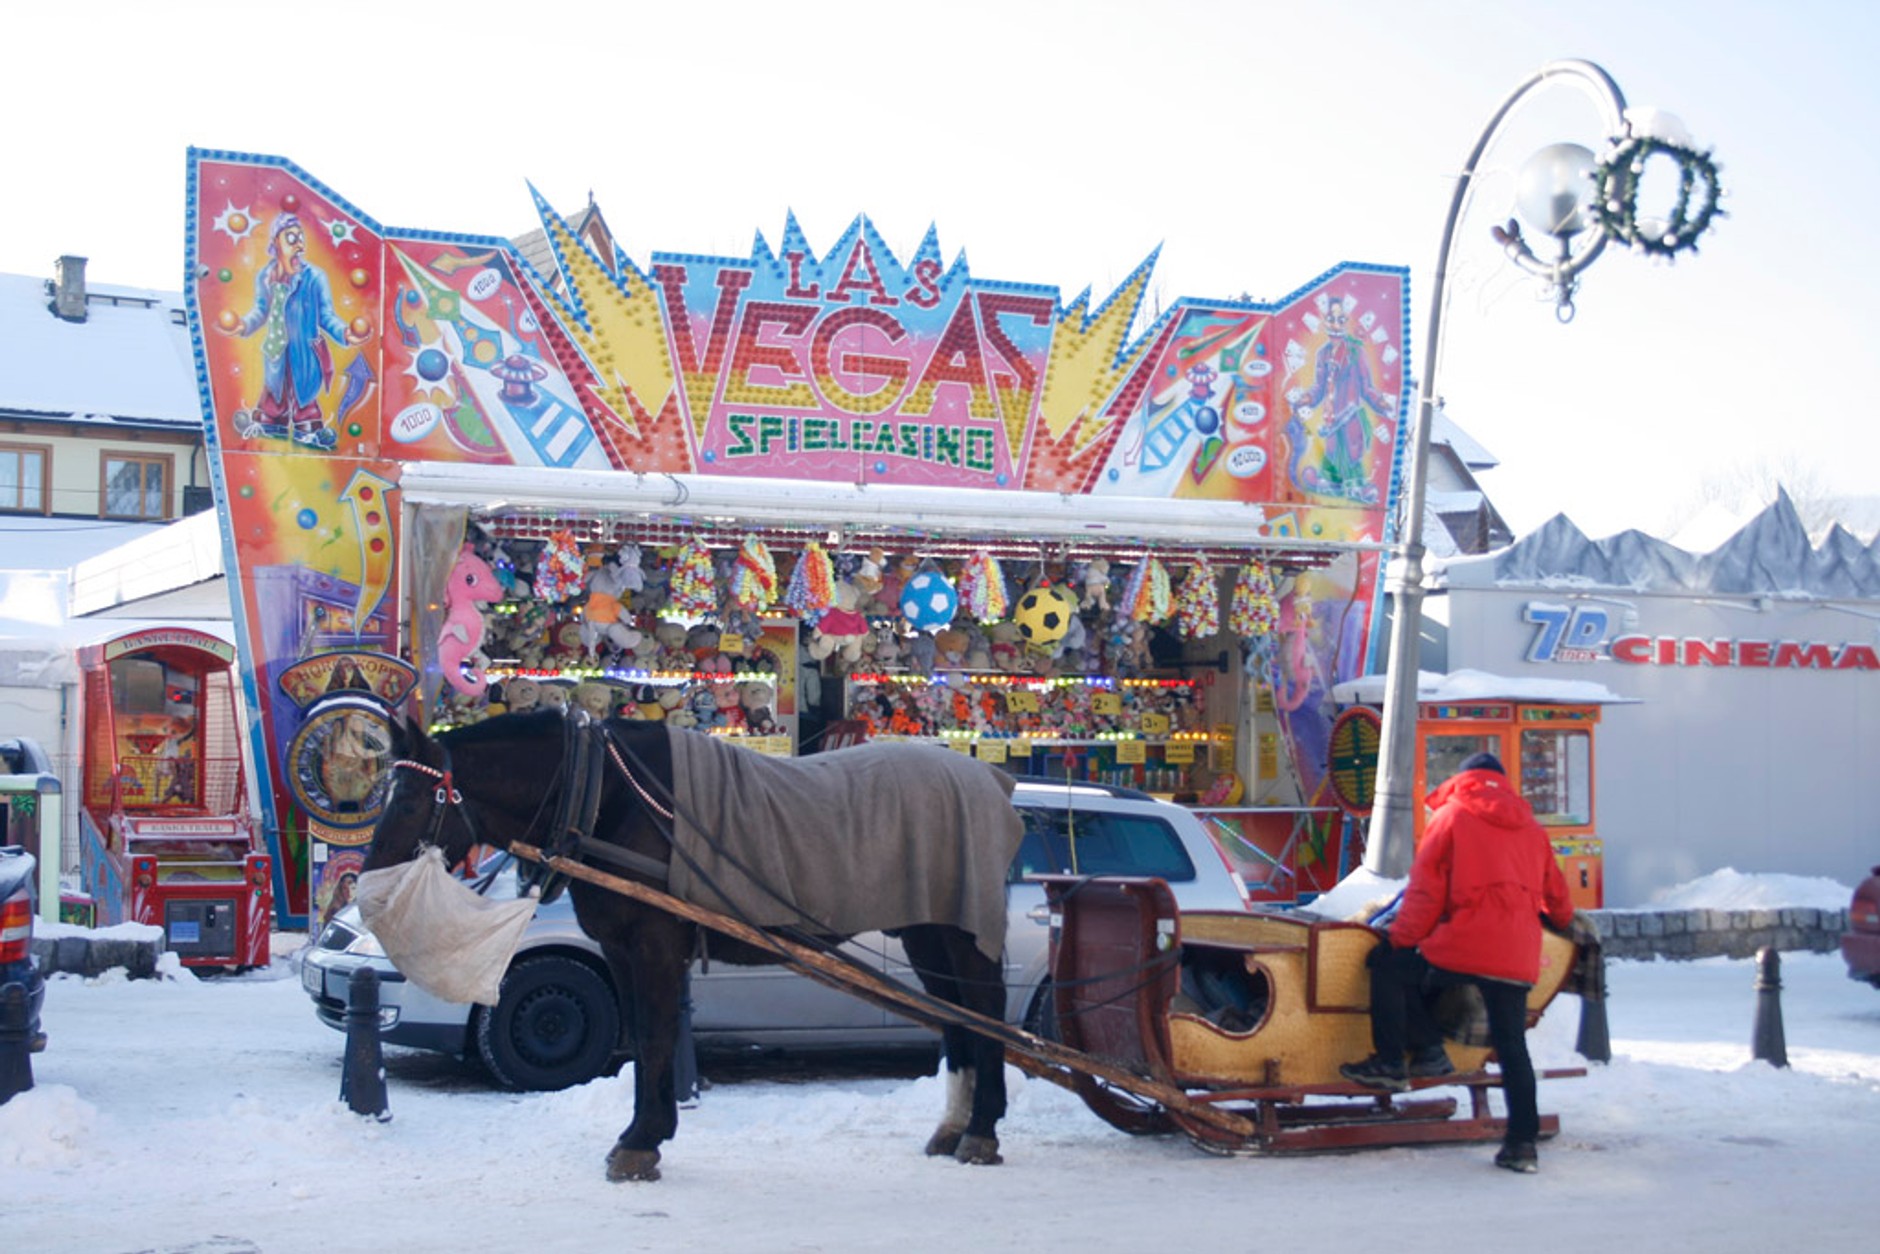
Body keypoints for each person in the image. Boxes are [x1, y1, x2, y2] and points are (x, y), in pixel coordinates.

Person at [1340, 751, 1574, 1174]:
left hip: (1464, 944)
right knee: (1513, 1048)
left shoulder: (1450, 817)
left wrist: (1399, 939)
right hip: (1518, 954)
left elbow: (1425, 895)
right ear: (1502, 783)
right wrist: (1559, 922)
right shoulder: (1533, 829)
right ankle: (1522, 1146)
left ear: (1463, 780)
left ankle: (1394, 1061)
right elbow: (1558, 899)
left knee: (1390, 967)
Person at [219, 212, 369, 449]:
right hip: (276, 347)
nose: (299, 245)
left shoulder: (314, 277)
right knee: (274, 384)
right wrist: (243, 325)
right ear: (276, 241)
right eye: (291, 238)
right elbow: (261, 310)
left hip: (304, 350)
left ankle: (307, 423)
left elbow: (326, 315)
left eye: (300, 239)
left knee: (304, 389)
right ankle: (272, 416)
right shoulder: (266, 277)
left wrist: (345, 333)